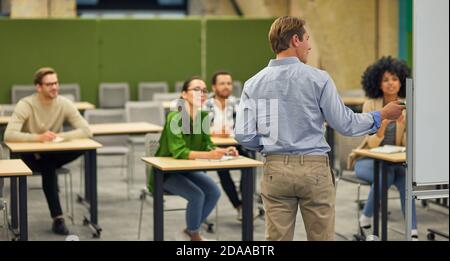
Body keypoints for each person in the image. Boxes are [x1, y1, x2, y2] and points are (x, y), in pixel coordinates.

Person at [234, 16, 405, 241]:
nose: (310, 45)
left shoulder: (253, 83)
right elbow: (345, 123)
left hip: (274, 169)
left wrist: (269, 144)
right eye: (306, 39)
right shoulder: (318, 79)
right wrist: (381, 115)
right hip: (313, 169)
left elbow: (243, 134)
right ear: (295, 40)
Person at [4, 67, 92, 235]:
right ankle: (57, 219)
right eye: (49, 84)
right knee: (48, 164)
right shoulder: (26, 104)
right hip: (30, 156)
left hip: (52, 153)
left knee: (82, 148)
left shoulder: (64, 103)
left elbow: (87, 130)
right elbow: (9, 135)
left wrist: (59, 136)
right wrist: (38, 138)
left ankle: (58, 219)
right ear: (39, 87)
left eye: (56, 83)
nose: (54, 87)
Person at [150, 76, 238, 241]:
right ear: (184, 94)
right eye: (196, 89)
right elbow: (180, 152)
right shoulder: (175, 118)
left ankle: (189, 231)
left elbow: (206, 145)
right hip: (165, 173)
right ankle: (194, 234)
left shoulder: (203, 117)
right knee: (197, 195)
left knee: (213, 191)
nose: (202, 93)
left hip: (187, 170)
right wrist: (209, 155)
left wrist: (224, 151)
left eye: (204, 90)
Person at [348, 56, 418, 240]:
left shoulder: (406, 104)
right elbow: (371, 144)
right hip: (367, 160)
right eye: (385, 80)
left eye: (394, 79)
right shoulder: (370, 105)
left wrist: (406, 127)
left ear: (401, 81)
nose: (390, 84)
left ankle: (413, 231)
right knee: (385, 174)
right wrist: (385, 121)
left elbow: (406, 147)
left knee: (404, 176)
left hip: (394, 162)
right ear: (377, 83)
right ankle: (367, 216)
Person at [203, 71, 249, 221]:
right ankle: (239, 206)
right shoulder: (206, 105)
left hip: (235, 143)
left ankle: (246, 202)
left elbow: (246, 126)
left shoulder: (238, 103)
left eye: (229, 83)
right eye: (222, 83)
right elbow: (200, 130)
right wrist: (215, 132)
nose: (226, 87)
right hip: (214, 145)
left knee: (249, 163)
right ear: (214, 87)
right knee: (223, 170)